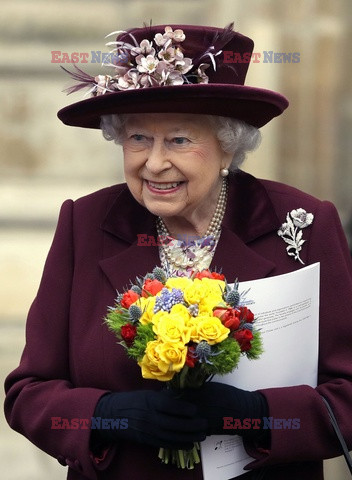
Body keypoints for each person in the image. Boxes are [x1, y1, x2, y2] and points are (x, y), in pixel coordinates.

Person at [4, 23, 352, 480]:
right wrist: (110, 414)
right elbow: (28, 393)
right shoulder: (85, 224)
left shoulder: (302, 224)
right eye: (138, 138)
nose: (154, 162)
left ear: (227, 146)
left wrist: (258, 414)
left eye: (180, 139)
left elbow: (346, 394)